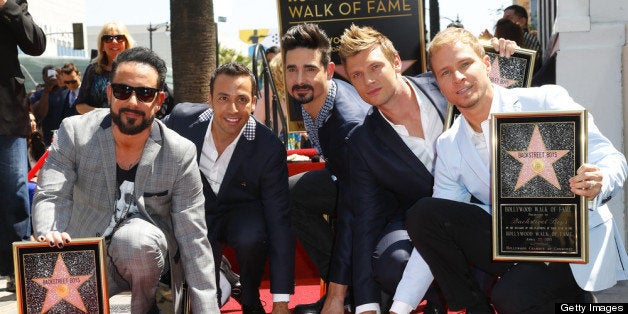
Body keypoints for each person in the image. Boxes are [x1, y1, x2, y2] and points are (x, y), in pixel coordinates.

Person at [406, 27, 628, 313]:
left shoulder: (545, 101)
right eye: (445, 72)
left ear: (486, 64)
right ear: (438, 83)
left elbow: (611, 157)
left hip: (570, 243)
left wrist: (600, 179)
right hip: (513, 242)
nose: (458, 77)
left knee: (513, 295)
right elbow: (439, 226)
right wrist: (400, 307)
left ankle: (576, 301)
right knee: (425, 213)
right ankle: (472, 308)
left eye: (465, 64)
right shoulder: (449, 144)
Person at [32, 47, 219, 313]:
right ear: (109, 94)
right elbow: (52, 194)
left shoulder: (179, 152)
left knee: (136, 241)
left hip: (145, 262)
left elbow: (193, 236)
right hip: (83, 256)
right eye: (122, 91)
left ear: (159, 100)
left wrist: (207, 309)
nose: (132, 101)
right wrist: (50, 232)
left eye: (144, 93)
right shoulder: (75, 132)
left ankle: (146, 309)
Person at [163, 62, 294, 314]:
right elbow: (144, 137)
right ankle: (224, 279)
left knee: (252, 235)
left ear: (254, 102)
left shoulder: (269, 147)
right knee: (204, 302)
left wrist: (280, 302)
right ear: (210, 99)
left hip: (243, 215)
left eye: (242, 99)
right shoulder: (180, 122)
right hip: (196, 215)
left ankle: (250, 293)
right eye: (223, 98)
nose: (233, 109)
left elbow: (280, 223)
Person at [338, 24, 449, 314]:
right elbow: (365, 220)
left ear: (396, 62)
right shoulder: (362, 142)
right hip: (422, 220)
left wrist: (506, 55)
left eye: (375, 67)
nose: (368, 81)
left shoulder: (445, 84)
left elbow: (496, 89)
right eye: (357, 75)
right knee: (392, 259)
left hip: (481, 210)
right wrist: (366, 303)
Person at [281, 22, 371, 313]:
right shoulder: (312, 96)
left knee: (294, 199)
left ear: (329, 71)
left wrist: (336, 292)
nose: (299, 79)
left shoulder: (346, 125)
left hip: (377, 198)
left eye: (309, 69)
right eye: (291, 69)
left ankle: (349, 293)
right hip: (345, 177)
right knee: (290, 194)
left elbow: (356, 206)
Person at [0, 0, 46, 292]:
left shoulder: (13, 4)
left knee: (14, 189)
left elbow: (36, 43)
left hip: (5, 113)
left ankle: (16, 268)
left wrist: (6, 6)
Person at [75, 21, 134, 114]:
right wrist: (105, 114)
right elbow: (80, 106)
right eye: (108, 38)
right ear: (102, 45)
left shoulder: (136, 70)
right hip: (98, 126)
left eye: (119, 38)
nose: (114, 42)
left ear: (126, 43)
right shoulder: (93, 70)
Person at [30, 65, 70, 146]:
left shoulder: (68, 91)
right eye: (49, 73)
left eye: (55, 73)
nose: (53, 76)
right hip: (47, 140)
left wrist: (65, 80)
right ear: (44, 76)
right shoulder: (37, 95)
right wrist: (47, 90)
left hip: (67, 137)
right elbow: (39, 114)